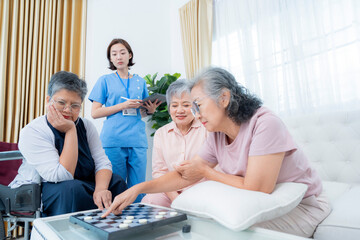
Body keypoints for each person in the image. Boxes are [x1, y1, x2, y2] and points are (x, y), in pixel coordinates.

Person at [102, 67, 331, 238]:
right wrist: (137, 189)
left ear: (224, 98)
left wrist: (206, 172)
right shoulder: (216, 134)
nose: (195, 113)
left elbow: (258, 187)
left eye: (197, 105)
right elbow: (187, 174)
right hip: (262, 204)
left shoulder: (264, 123)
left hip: (303, 206)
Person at [9, 71, 127, 216]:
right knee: (71, 189)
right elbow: (61, 175)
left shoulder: (86, 126)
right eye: (61, 103)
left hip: (83, 182)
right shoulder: (33, 131)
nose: (67, 110)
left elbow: (103, 162)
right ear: (48, 101)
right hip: (47, 189)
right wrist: (71, 130)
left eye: (75, 105)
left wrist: (101, 189)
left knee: (116, 182)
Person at [88, 39, 160, 202]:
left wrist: (149, 111)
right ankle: (115, 222)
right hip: (113, 140)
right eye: (114, 54)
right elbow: (95, 112)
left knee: (138, 188)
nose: (118, 56)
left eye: (122, 52)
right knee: (116, 186)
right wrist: (122, 105)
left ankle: (136, 223)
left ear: (130, 55)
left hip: (137, 140)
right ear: (110, 59)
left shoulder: (140, 81)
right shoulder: (104, 80)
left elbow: (138, 112)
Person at [141, 79, 208, 207]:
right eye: (174, 105)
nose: (179, 110)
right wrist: (175, 197)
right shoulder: (161, 133)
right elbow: (159, 172)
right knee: (150, 201)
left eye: (186, 105)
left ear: (195, 106)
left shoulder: (206, 129)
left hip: (200, 187)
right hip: (170, 189)